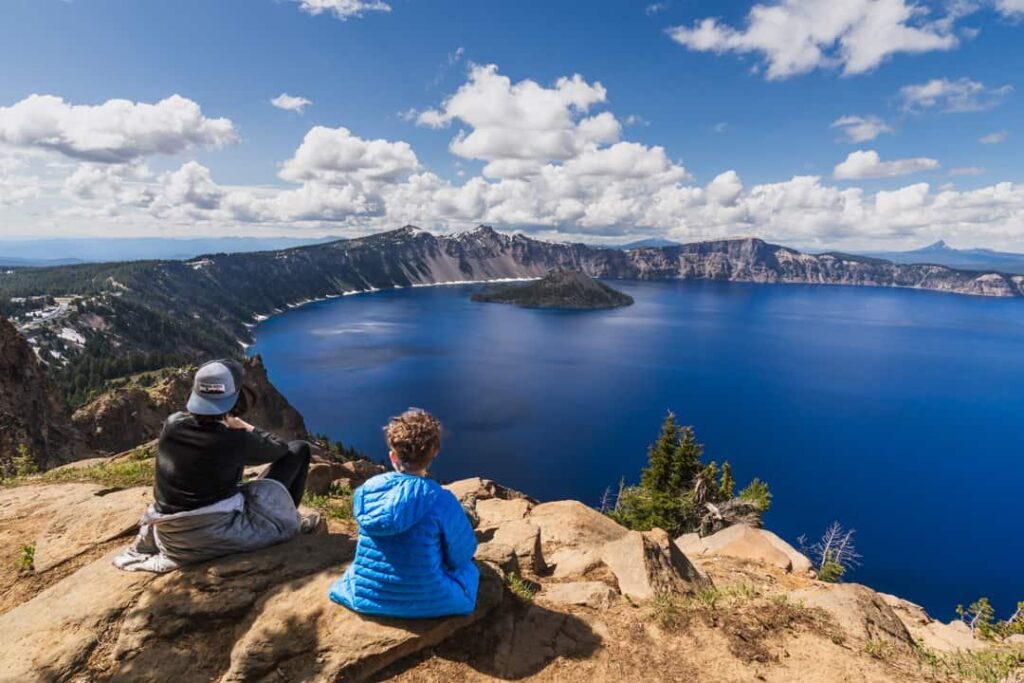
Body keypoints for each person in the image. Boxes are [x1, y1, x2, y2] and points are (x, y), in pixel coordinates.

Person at [114, 359, 319, 573]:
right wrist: (245, 427)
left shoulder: (173, 424)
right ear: (236, 397)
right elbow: (280, 449)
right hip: (212, 534)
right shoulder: (234, 439)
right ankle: (291, 522)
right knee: (300, 450)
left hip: (169, 533)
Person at [329, 409, 479, 618]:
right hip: (433, 598)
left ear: (393, 456)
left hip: (367, 594)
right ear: (434, 453)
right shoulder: (441, 499)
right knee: (468, 570)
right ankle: (470, 512)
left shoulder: (366, 491)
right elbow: (462, 555)